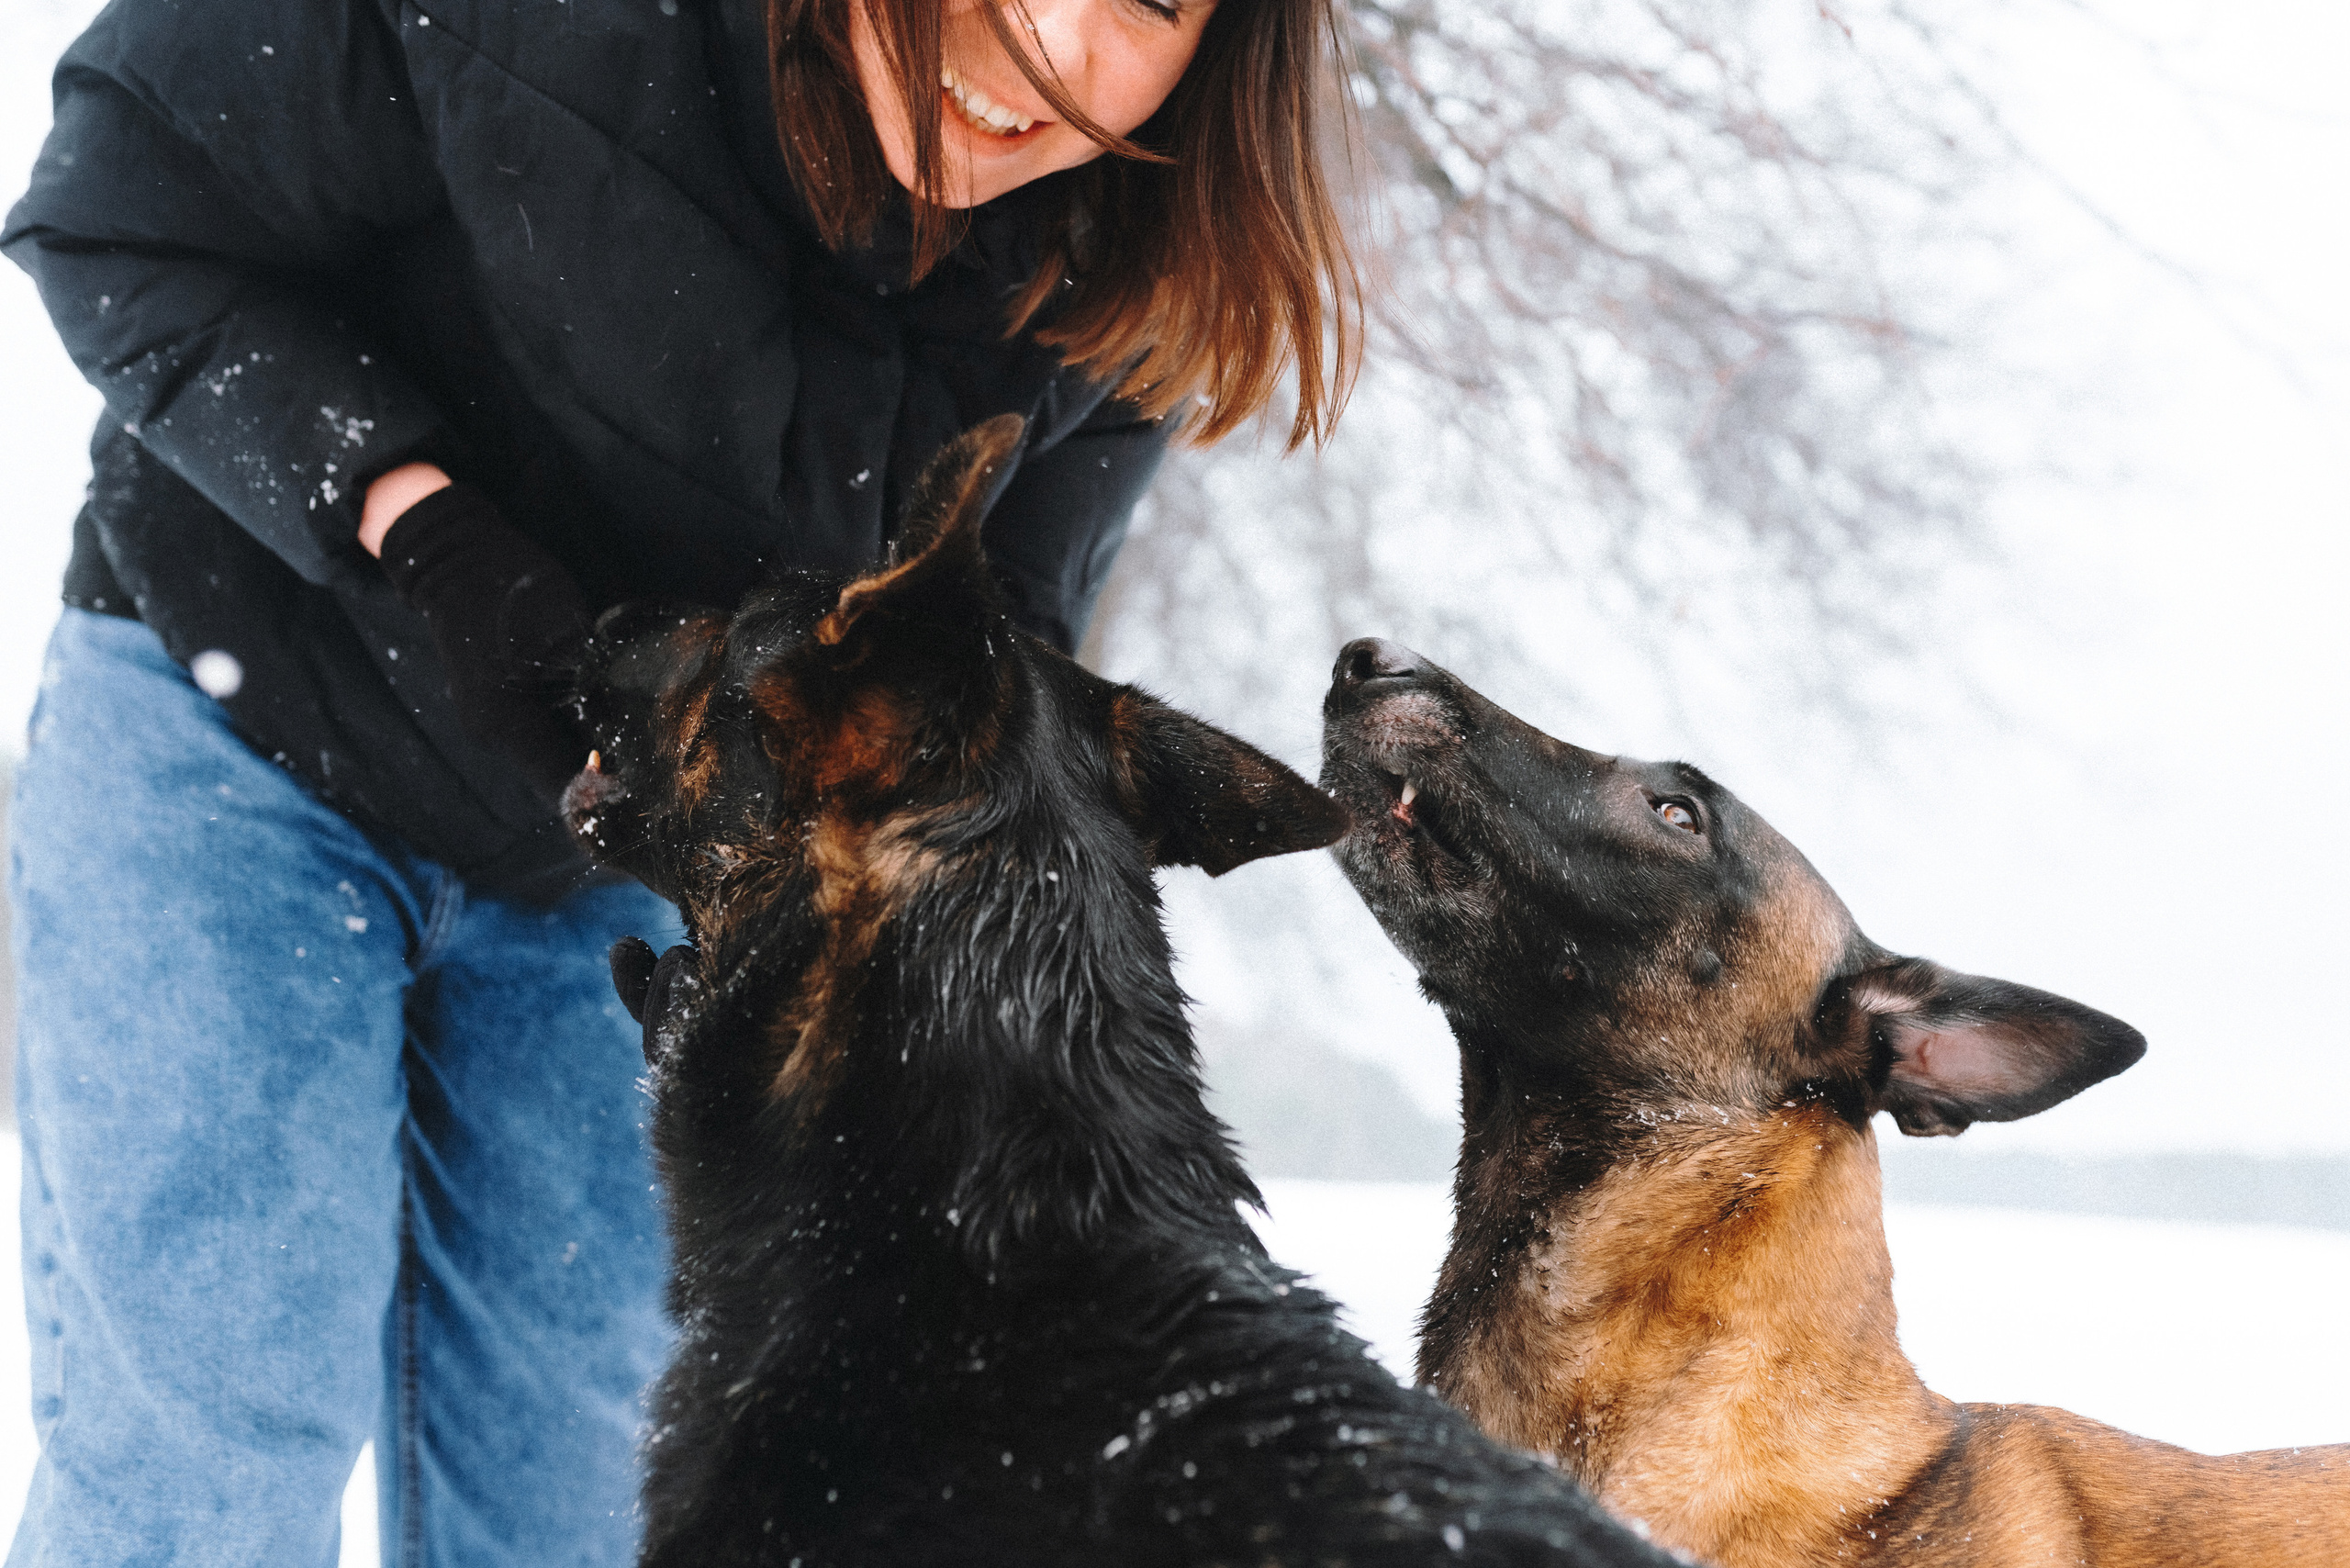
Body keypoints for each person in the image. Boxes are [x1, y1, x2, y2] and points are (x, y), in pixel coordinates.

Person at [0, 0, 1356, 1558]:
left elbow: (988, 647)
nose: (1052, 42)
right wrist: (418, 521)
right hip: (243, 727)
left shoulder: (1122, 260)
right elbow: (121, 201)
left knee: (579, 1501)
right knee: (215, 1445)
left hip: (625, 881)